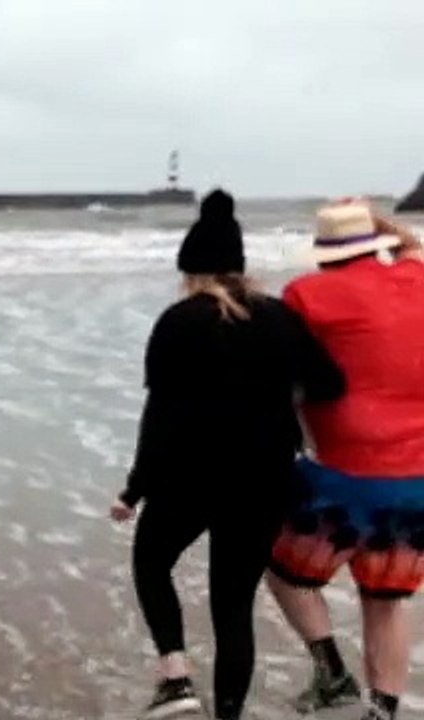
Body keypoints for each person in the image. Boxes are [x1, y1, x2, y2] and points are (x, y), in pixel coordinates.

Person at [110, 189, 346, 720]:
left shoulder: (178, 322)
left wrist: (134, 488)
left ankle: (175, 676)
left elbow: (161, 418)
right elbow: (329, 385)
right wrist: (280, 394)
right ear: (239, 266)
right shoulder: (280, 318)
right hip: (263, 483)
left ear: (191, 271)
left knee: (151, 561)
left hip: (189, 481)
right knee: (232, 609)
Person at [266, 200, 424, 720]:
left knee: (283, 569)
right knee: (384, 601)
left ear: (323, 252)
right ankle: (383, 710)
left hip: (342, 475)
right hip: (417, 479)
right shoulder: (417, 278)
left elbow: (286, 377)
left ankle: (331, 671)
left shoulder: (306, 295)